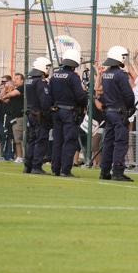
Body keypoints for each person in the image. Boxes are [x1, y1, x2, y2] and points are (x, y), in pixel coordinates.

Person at [100, 46, 136, 182]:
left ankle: (104, 170)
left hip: (109, 112)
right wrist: (131, 107)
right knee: (120, 142)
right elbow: (128, 94)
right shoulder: (121, 75)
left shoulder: (105, 74)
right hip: (120, 112)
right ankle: (118, 170)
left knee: (108, 142)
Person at [50, 49, 88, 178]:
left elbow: (50, 95)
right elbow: (80, 96)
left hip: (57, 111)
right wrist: (84, 103)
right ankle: (65, 169)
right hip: (69, 112)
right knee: (69, 141)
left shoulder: (54, 75)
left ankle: (55, 168)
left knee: (58, 141)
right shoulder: (73, 77)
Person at [23, 57, 53, 175]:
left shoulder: (29, 81)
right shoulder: (40, 82)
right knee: (41, 140)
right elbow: (44, 101)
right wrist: (48, 114)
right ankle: (36, 166)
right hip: (40, 115)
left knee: (33, 140)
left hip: (31, 113)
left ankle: (28, 165)